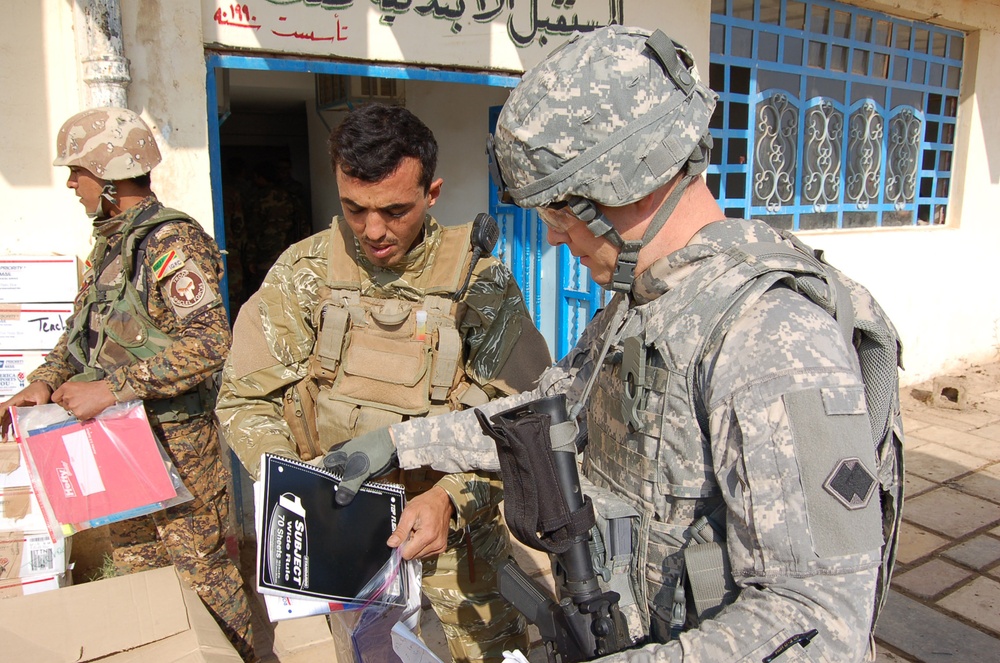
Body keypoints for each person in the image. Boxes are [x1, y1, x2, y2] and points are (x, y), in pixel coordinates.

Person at [324, 27, 901, 662]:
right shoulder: (645, 302)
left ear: (618, 186)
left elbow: (820, 625)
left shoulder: (772, 339)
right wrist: (398, 444)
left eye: (557, 215)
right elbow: (542, 420)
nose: (551, 240)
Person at [215, 103, 552, 663]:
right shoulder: (305, 274)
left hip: (461, 556)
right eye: (355, 208)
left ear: (432, 193)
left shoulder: (482, 285)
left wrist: (453, 496)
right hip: (341, 540)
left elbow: (523, 420)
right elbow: (246, 397)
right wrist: (298, 487)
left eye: (395, 210)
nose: (373, 231)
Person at [0, 107, 256, 661]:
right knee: (142, 572)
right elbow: (80, 335)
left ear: (110, 175)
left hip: (178, 442)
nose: (70, 183)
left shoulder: (170, 243)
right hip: (120, 441)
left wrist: (114, 388)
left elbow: (212, 345)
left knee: (204, 573)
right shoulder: (112, 245)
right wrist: (43, 383)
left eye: (77, 171)